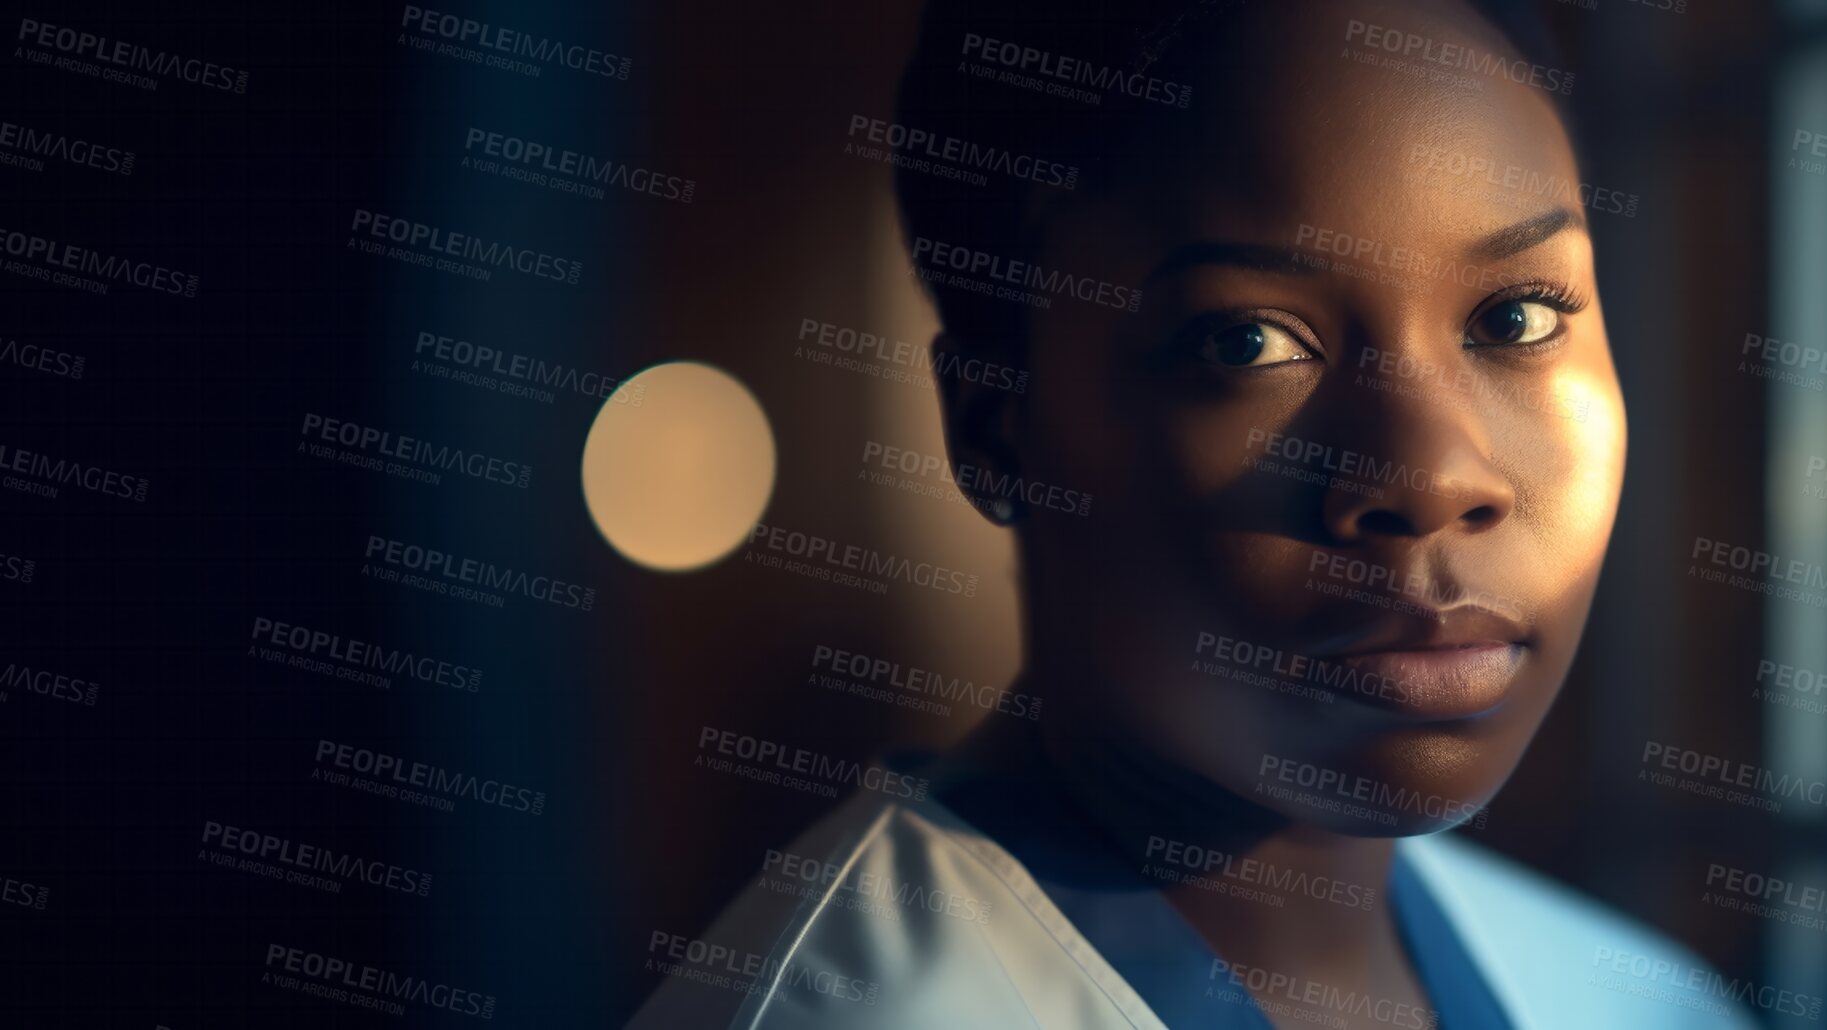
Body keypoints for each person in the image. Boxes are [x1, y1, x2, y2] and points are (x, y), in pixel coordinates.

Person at [635, 0, 1754, 1026]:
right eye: (1246, 341)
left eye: (1514, 317)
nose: (1430, 474)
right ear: (992, 429)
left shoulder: (1640, 1000)